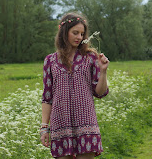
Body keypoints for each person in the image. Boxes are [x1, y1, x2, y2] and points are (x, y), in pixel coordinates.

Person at [40, 12, 109, 159]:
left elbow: (100, 92)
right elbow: (47, 97)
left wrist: (103, 72)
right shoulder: (50, 61)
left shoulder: (90, 58)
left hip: (86, 122)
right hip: (60, 123)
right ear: (64, 33)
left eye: (82, 34)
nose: (79, 37)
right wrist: (44, 128)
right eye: (75, 33)